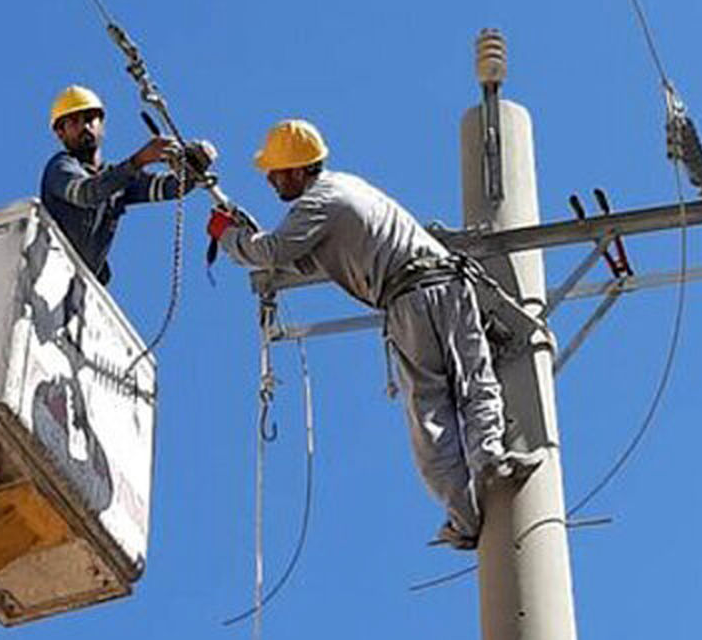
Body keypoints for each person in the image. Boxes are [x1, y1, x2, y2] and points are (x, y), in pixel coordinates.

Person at [207, 119, 542, 550]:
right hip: (449, 281)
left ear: (295, 170)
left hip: (410, 298)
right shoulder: (346, 188)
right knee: (475, 381)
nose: (271, 182)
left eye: (274, 173)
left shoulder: (317, 203)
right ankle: (490, 458)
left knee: (431, 409)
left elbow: (275, 253)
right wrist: (246, 236)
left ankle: (464, 517)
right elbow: (303, 259)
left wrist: (228, 236)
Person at [40, 85, 214, 286]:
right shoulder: (60, 167)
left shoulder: (116, 180)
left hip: (82, 284)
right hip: (52, 275)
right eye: (74, 122)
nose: (85, 126)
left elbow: (170, 188)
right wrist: (140, 160)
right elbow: (87, 193)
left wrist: (193, 165)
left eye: (89, 119)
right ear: (60, 133)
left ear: (101, 125)